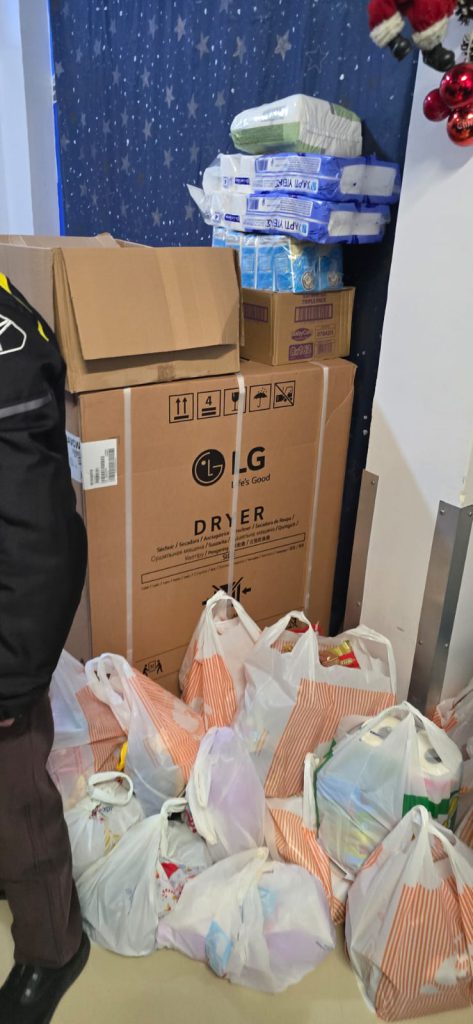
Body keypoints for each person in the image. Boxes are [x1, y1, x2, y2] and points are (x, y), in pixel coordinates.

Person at [0, 273, 89, 1022]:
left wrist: (10, 678)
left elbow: (39, 537)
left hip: (5, 642)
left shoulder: (6, 344)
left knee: (17, 801)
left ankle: (53, 948)